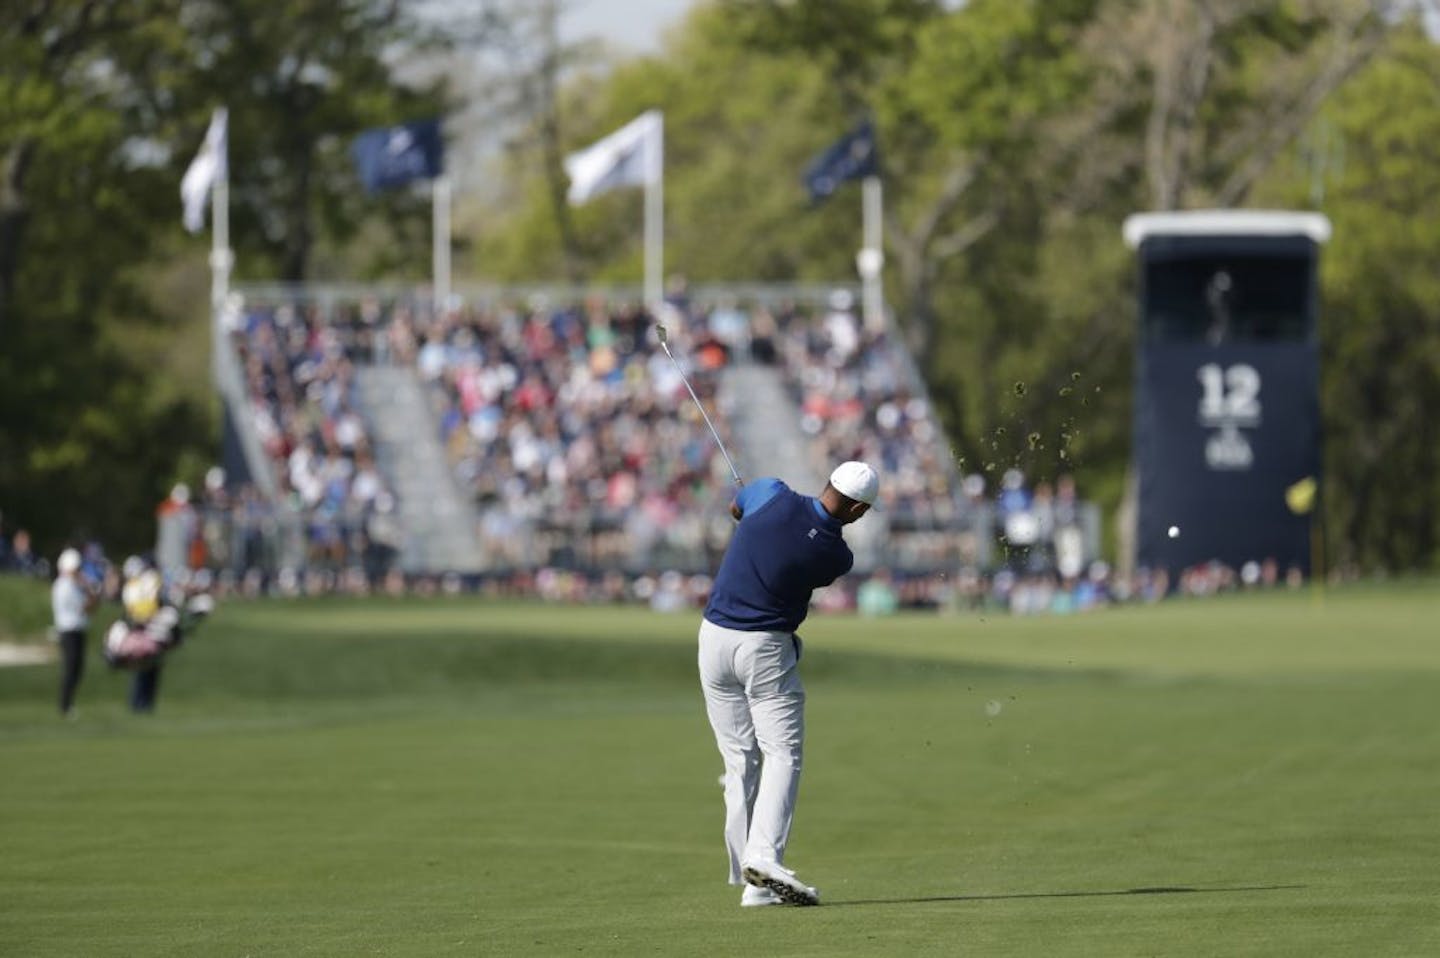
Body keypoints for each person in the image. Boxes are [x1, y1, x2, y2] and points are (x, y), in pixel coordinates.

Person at [697, 460, 878, 908]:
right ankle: (763, 860)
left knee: (740, 761)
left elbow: (737, 508)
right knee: (782, 753)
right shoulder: (837, 556)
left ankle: (752, 880)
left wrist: (750, 505)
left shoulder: (771, 491)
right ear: (856, 510)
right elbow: (804, 550)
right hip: (763, 648)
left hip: (712, 640)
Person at [51, 548, 97, 718]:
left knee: (77, 669)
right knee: (71, 669)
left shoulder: (72, 584)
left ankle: (67, 704)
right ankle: (65, 705)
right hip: (68, 631)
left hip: (77, 630)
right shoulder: (65, 585)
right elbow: (85, 608)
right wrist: (90, 593)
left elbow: (89, 609)